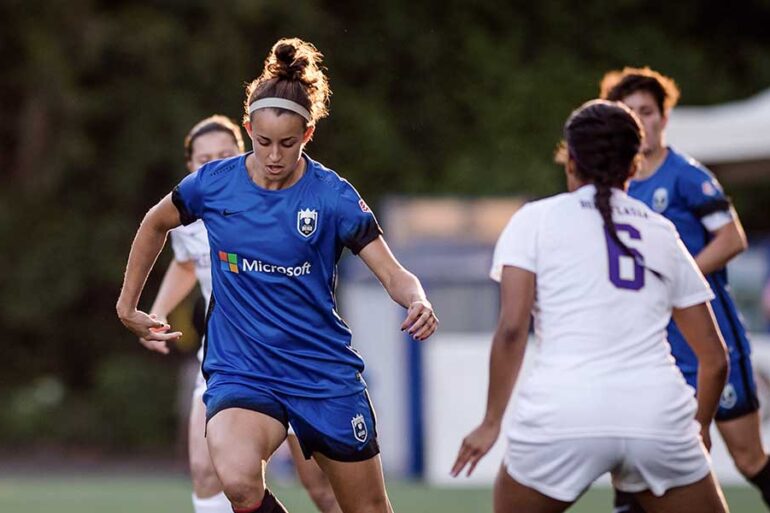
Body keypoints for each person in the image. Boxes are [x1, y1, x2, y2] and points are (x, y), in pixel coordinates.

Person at [117, 37, 438, 513]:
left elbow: (394, 273)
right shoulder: (213, 183)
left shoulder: (332, 196)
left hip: (320, 373)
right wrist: (128, 306)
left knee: (365, 508)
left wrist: (418, 300)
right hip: (242, 369)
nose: (273, 155)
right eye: (263, 142)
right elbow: (154, 223)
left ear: (308, 135)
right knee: (239, 482)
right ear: (247, 128)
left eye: (287, 144)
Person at [451, 99, 730, 513]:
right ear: (634, 166)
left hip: (563, 412)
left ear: (570, 161)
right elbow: (715, 358)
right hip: (655, 414)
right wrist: (698, 431)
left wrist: (491, 422)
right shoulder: (662, 231)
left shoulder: (534, 220)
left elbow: (512, 328)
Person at [144, 114, 342, 513]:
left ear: (243, 152)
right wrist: (157, 312)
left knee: (319, 485)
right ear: (191, 166)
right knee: (205, 471)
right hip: (226, 362)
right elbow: (187, 263)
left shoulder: (277, 205)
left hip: (293, 361)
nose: (214, 163)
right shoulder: (187, 214)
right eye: (204, 159)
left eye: (224, 153)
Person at [600, 67, 770, 512]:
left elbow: (733, 238)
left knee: (749, 458)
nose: (641, 121)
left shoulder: (686, 175)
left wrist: (676, 278)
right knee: (637, 455)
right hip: (652, 346)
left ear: (664, 117)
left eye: (648, 111)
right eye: (630, 112)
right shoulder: (616, 186)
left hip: (709, 339)